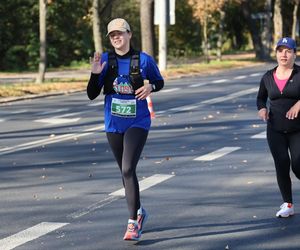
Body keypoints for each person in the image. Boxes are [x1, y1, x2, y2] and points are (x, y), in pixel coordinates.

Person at [87, 18, 164, 240]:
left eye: (120, 33)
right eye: (112, 35)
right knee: (124, 170)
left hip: (137, 122)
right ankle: (139, 212)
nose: (116, 38)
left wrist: (151, 86)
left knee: (128, 168)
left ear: (129, 34)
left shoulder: (143, 60)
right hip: (113, 123)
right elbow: (92, 94)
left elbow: (160, 82)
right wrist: (94, 74)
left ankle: (132, 223)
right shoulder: (105, 61)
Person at [257, 37, 300, 218]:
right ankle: (287, 204)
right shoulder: (268, 76)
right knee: (281, 164)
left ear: (294, 54)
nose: (284, 54)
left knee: (298, 166)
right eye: (280, 50)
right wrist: (262, 109)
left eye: (288, 51)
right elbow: (260, 97)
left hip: (298, 129)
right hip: (275, 129)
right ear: (276, 53)